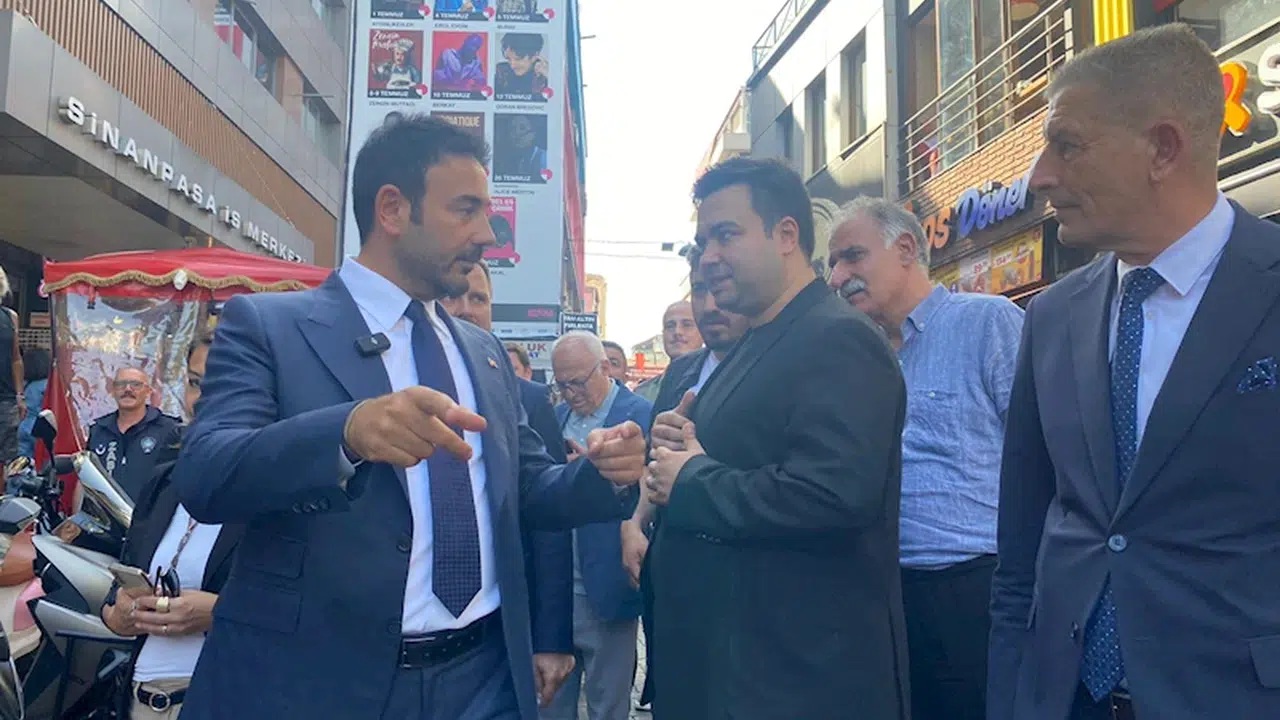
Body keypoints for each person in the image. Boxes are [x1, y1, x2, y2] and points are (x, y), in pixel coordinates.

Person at [172, 114, 647, 720]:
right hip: (324, 686)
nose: (487, 235)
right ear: (393, 209)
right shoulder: (269, 327)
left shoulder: (484, 353)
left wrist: (601, 475)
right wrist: (346, 434)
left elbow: (528, 487)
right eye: (466, 210)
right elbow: (207, 475)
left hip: (483, 680)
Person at [988, 25, 1280, 720]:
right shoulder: (1052, 315)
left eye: (1067, 144)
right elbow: (1021, 547)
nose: (1040, 177)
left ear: (1163, 148)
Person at [642, 157, 909, 719]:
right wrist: (678, 441)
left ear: (786, 235)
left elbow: (833, 494)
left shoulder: (837, 338)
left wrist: (692, 478)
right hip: (732, 673)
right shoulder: (758, 341)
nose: (707, 258)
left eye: (726, 235)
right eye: (702, 242)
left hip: (793, 682)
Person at [826, 196, 1023, 720]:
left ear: (907, 249)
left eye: (852, 256)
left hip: (973, 592)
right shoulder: (858, 358)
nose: (837, 277)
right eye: (833, 264)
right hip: (883, 594)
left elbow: (1045, 454)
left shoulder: (988, 323)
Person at [622, 244, 751, 711]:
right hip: (674, 575)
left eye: (721, 289)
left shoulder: (769, 363)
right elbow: (657, 458)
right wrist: (635, 522)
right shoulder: (682, 372)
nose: (711, 304)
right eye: (700, 289)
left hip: (741, 584)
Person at [443, 261, 577, 709]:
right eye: (453, 295)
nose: (466, 309)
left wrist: (552, 638)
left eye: (479, 299)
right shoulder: (394, 383)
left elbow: (548, 518)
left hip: (498, 631)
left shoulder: (527, 397)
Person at [100, 332, 242, 720]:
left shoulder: (280, 493)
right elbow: (119, 588)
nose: (202, 399)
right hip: (143, 697)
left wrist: (218, 612)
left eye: (223, 385)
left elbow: (313, 609)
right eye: (195, 383)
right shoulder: (165, 480)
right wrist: (121, 612)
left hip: (223, 697)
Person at [542, 332, 650, 720]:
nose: (570, 394)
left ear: (604, 368)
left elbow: (654, 492)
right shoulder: (554, 418)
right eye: (562, 384)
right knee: (551, 706)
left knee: (608, 705)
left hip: (608, 587)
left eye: (577, 382)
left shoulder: (641, 416)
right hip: (557, 593)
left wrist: (595, 475)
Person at [88, 367, 182, 500]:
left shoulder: (169, 429)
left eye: (136, 384)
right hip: (106, 512)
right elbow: (84, 482)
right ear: (113, 390)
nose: (127, 389)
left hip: (150, 513)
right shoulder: (98, 430)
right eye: (121, 384)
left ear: (148, 391)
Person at [633, 301, 703, 403]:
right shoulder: (642, 393)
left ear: (702, 332)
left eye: (687, 325)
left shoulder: (716, 386)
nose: (677, 331)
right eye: (670, 326)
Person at [0, 267, 24, 466]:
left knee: (7, 459)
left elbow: (16, 358)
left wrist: (20, 395)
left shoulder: (10, 316)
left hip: (6, 398)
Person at [16, 348, 49, 460]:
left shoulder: (22, 385)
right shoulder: (48, 385)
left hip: (23, 426)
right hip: (39, 428)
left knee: (22, 461)